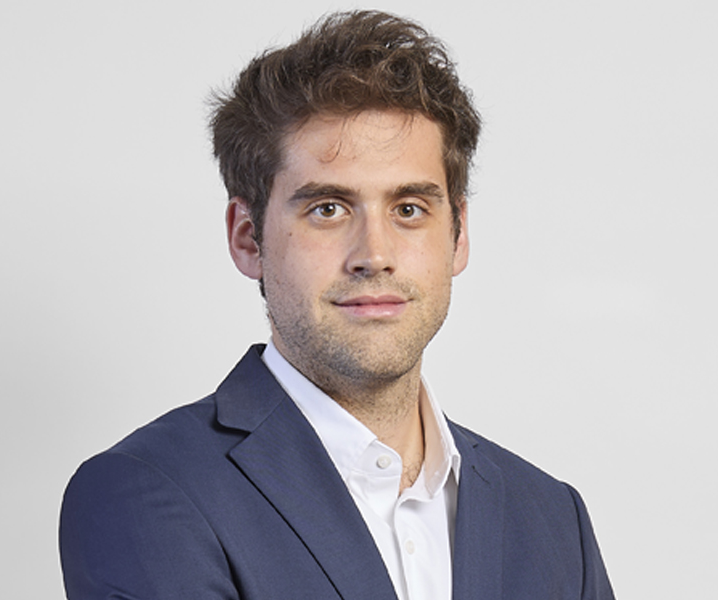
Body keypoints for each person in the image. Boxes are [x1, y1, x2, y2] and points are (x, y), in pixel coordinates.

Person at [59, 10, 615, 600]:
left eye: (409, 209)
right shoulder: (149, 493)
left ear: (458, 235)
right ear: (248, 238)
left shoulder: (552, 520)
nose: (374, 255)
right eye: (327, 209)